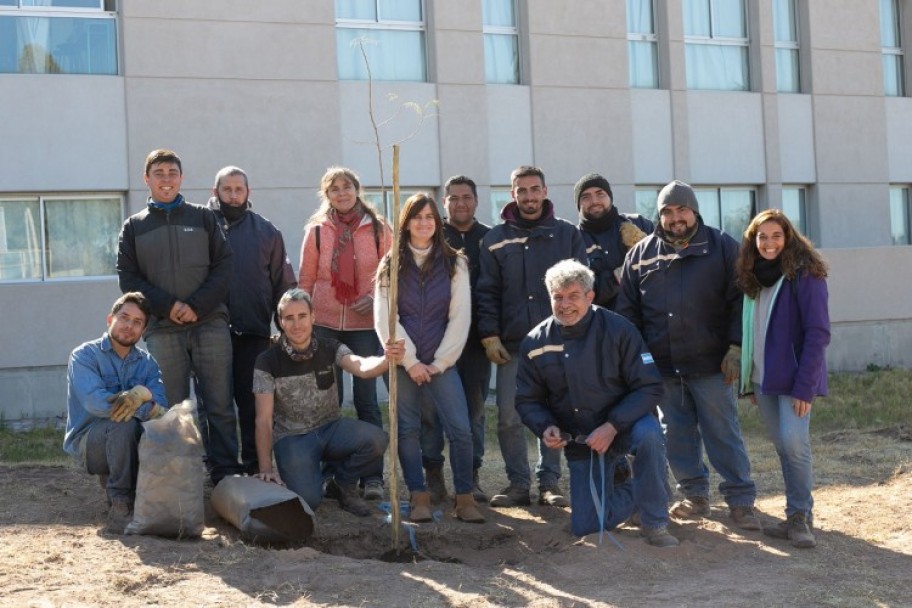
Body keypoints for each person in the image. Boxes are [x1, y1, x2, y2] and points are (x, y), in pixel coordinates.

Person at [616, 180, 760, 530]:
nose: (675, 217)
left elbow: (740, 300)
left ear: (694, 210)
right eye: (667, 211)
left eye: (682, 209)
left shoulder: (722, 246)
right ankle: (695, 495)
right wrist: (639, 360)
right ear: (659, 215)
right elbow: (628, 312)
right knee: (677, 434)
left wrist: (736, 346)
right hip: (663, 367)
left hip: (712, 364)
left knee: (722, 432)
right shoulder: (641, 254)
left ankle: (740, 500)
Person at [515, 260, 678, 546]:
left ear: (590, 297)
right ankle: (633, 489)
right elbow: (528, 400)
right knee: (586, 527)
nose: (565, 305)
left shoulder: (619, 330)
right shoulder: (534, 342)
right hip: (584, 441)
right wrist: (546, 426)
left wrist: (613, 426)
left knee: (650, 434)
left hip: (626, 425)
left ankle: (655, 522)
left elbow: (650, 386)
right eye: (558, 297)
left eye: (573, 296)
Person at [117, 149, 241, 484]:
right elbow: (127, 277)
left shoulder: (204, 218)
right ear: (147, 179)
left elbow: (224, 267)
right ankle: (176, 477)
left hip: (210, 323)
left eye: (172, 172)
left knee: (219, 405)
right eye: (159, 173)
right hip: (162, 329)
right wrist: (167, 306)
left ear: (181, 178)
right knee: (168, 411)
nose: (166, 179)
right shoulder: (133, 227)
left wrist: (197, 305)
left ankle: (226, 473)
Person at [476, 165, 587, 508]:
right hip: (511, 344)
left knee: (553, 414)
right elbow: (486, 291)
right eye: (521, 190)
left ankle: (549, 484)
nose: (528, 196)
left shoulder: (567, 234)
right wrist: (489, 334)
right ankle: (518, 484)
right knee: (509, 416)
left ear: (545, 191)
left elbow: (583, 288)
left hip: (558, 342)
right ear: (512, 194)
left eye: (534, 189)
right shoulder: (495, 239)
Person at [375, 193, 485, 524]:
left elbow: (460, 316)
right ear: (405, 222)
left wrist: (438, 363)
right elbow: (385, 317)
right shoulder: (390, 264)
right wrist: (410, 361)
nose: (424, 223)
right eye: (416, 216)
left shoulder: (455, 262)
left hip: (442, 362)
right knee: (407, 430)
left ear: (437, 223)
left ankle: (464, 497)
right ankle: (418, 495)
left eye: (430, 217)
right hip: (404, 361)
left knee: (460, 430)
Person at [252, 288, 400, 517]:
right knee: (309, 500)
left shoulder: (331, 348)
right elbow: (263, 419)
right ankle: (313, 479)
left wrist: (385, 359)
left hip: (331, 429)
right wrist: (265, 468)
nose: (296, 324)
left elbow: (360, 366)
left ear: (313, 317)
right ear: (281, 322)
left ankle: (342, 483)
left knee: (377, 439)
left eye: (302, 316)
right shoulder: (266, 361)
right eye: (289, 318)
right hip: (293, 438)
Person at [736, 209, 830, 548]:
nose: (769, 243)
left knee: (795, 444)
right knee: (782, 446)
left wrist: (806, 386)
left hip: (795, 383)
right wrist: (748, 380)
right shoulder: (754, 279)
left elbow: (818, 334)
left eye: (776, 236)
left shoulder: (806, 275)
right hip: (764, 381)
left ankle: (802, 515)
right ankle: (793, 513)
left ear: (788, 237)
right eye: (762, 236)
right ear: (753, 240)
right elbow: (752, 332)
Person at [298, 166, 393, 500]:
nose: (341, 193)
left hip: (366, 327)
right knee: (329, 403)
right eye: (334, 189)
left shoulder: (381, 230)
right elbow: (306, 279)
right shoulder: (318, 232)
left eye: (347, 187)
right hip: (324, 326)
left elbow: (393, 276)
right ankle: (333, 476)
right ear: (327, 195)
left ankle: (372, 478)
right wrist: (304, 322)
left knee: (367, 403)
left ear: (357, 189)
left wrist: (376, 297)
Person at [207, 166, 296, 474]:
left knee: (252, 404)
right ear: (215, 191)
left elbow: (283, 286)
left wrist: (287, 331)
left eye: (238, 189)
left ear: (248, 193)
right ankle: (221, 469)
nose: (233, 195)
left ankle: (256, 465)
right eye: (226, 189)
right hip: (210, 332)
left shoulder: (267, 232)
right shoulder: (203, 226)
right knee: (215, 406)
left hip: (254, 332)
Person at [63, 292, 168, 532]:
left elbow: (162, 409)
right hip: (91, 443)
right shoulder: (84, 356)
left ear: (144, 330)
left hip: (131, 442)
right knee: (123, 422)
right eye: (124, 318)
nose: (129, 326)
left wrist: (143, 400)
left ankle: (151, 495)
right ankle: (121, 503)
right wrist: (142, 404)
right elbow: (95, 404)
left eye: (137, 322)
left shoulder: (148, 363)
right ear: (110, 319)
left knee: (168, 429)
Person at [420, 175, 492, 504]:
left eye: (466, 196)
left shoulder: (490, 239)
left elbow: (495, 290)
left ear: (476, 200)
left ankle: (472, 476)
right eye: (453, 198)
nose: (460, 202)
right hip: (436, 341)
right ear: (443, 203)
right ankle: (433, 474)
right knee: (432, 412)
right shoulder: (433, 238)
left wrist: (494, 333)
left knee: (474, 412)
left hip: (478, 341)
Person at [574, 173, 653, 310]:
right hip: (603, 325)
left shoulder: (639, 224)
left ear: (610, 197)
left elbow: (663, 266)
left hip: (647, 319)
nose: (594, 201)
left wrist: (646, 253)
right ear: (578, 204)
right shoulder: (574, 239)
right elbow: (585, 293)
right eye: (586, 197)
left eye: (600, 194)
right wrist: (623, 273)